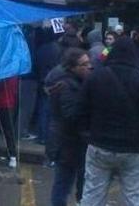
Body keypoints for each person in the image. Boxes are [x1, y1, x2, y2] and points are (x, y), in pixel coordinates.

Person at [78, 37, 139, 206]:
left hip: (100, 143)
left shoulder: (95, 78)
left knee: (92, 194)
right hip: (133, 148)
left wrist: (87, 135)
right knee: (134, 196)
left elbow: (81, 111)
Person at [46, 48, 91, 206]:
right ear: (73, 67)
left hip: (72, 142)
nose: (89, 67)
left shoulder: (76, 82)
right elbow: (70, 116)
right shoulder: (67, 86)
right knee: (63, 183)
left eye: (89, 63)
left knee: (77, 181)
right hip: (67, 143)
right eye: (84, 64)